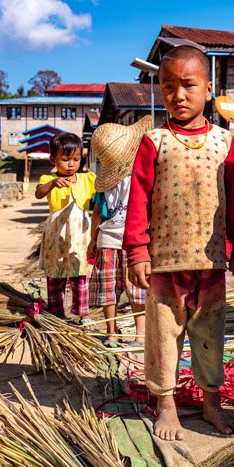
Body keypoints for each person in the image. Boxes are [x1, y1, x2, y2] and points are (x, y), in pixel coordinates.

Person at [123, 46, 234, 441]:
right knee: (164, 335)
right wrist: (136, 251)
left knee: (210, 335)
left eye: (188, 85)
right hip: (164, 262)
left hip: (211, 261)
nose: (178, 95)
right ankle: (166, 404)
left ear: (209, 89)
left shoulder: (224, 144)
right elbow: (139, 199)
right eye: (168, 87)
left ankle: (211, 401)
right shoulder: (154, 141)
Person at [87, 117, 152, 348]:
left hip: (108, 239)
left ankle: (112, 332)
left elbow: (96, 213)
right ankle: (140, 334)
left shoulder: (107, 185)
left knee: (109, 290)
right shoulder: (142, 179)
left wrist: (93, 239)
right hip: (132, 242)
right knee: (137, 289)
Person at [35, 132, 96, 319]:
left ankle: (82, 315)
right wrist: (53, 183)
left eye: (76, 159)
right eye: (66, 159)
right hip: (56, 235)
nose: (71, 164)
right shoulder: (48, 179)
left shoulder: (88, 179)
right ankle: (57, 314)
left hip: (80, 235)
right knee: (55, 275)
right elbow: (38, 193)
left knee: (80, 274)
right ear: (53, 159)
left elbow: (101, 195)